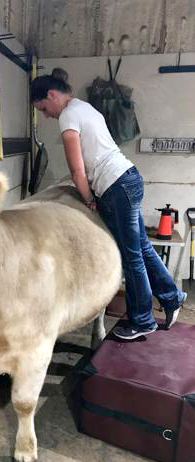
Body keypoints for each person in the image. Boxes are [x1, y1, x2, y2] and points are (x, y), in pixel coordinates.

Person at [31, 67, 187, 340]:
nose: (46, 114)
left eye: (43, 107)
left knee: (131, 256)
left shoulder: (68, 115)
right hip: (128, 178)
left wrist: (89, 200)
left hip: (115, 186)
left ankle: (142, 321)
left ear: (52, 95)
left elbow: (77, 170)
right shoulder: (85, 107)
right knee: (141, 247)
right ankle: (173, 297)